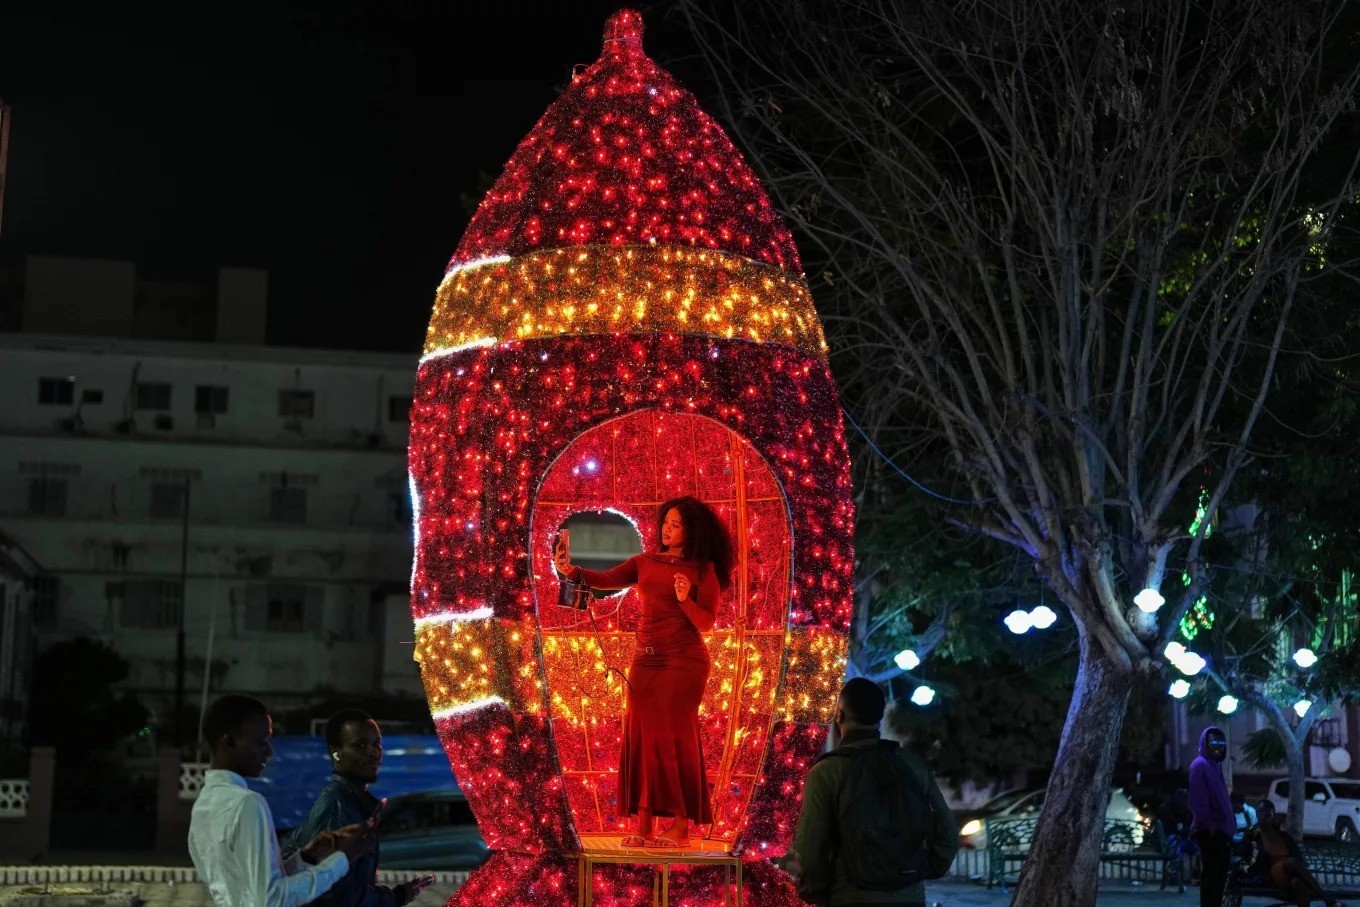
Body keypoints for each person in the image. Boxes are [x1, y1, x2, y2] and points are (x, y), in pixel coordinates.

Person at [553, 495, 732, 849]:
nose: (667, 529)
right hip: (644, 661)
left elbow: (707, 622)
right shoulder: (644, 562)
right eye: (665, 522)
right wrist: (571, 571)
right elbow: (603, 579)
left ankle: (681, 826)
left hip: (683, 662)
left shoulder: (702, 569)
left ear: (692, 531)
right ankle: (646, 823)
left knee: (671, 737)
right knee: (641, 736)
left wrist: (684, 599)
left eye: (676, 524)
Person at [189, 694, 376, 907]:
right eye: (262, 742)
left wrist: (306, 857)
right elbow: (271, 899)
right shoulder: (247, 803)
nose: (269, 752)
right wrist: (343, 858)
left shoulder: (203, 805)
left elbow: (247, 888)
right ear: (229, 741)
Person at [792, 678, 958, 907]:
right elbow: (947, 832)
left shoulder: (827, 772)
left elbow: (811, 847)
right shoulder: (912, 765)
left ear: (839, 715)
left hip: (850, 897)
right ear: (880, 717)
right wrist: (921, 872)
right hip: (909, 897)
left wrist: (814, 893)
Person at [291, 709, 435, 907]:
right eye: (361, 745)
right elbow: (337, 895)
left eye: (377, 744)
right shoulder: (338, 804)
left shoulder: (354, 801)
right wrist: (394, 897)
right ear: (336, 753)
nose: (373, 752)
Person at [1248, 799, 1349, 907]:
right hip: (1271, 874)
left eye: (1267, 815)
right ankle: (1327, 898)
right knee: (1292, 862)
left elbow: (1297, 855)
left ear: (1273, 815)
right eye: (1260, 814)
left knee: (1298, 883)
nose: (1263, 818)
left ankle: (1327, 900)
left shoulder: (1282, 835)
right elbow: (1250, 858)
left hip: (1290, 872)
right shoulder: (1254, 835)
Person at [1188, 726, 1235, 907]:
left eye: (1221, 743)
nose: (1218, 747)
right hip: (1211, 832)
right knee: (1212, 878)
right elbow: (1198, 800)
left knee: (1218, 878)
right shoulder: (1200, 765)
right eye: (1213, 742)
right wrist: (1209, 825)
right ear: (1205, 743)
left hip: (1221, 831)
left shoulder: (1215, 766)